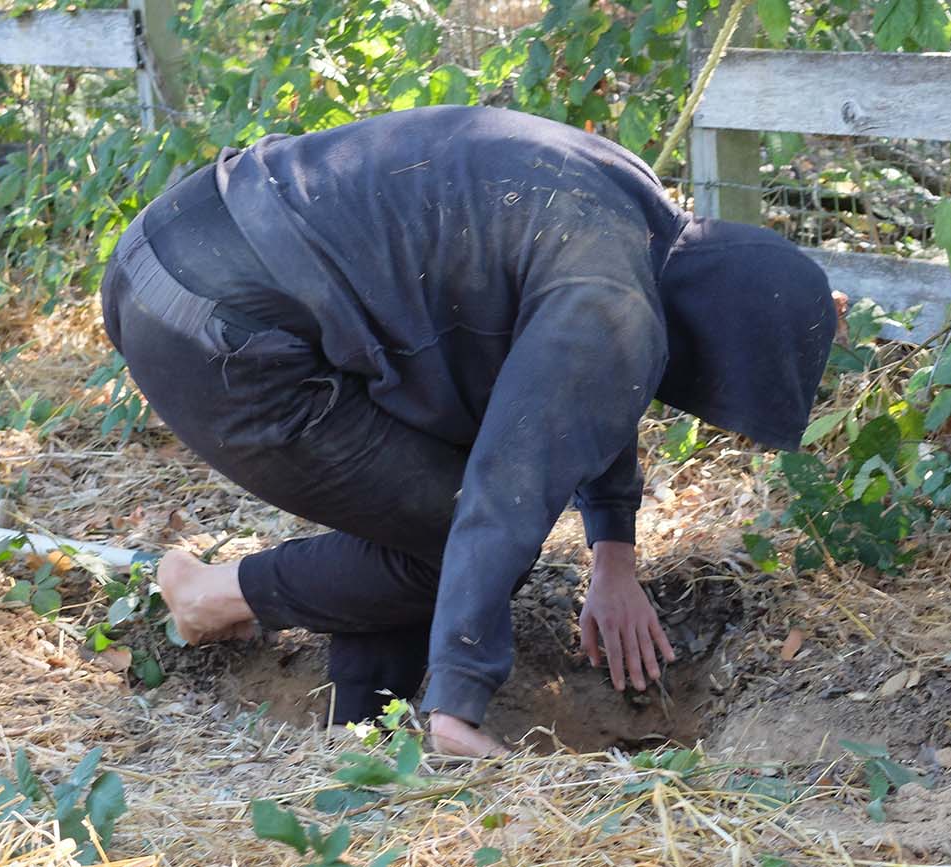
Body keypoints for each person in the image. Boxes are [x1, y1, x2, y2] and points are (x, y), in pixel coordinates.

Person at [99, 105, 835, 756]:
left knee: (417, 507)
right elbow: (506, 487)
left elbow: (584, 391)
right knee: (458, 533)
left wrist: (613, 554)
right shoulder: (611, 300)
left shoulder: (629, 211)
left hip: (182, 244)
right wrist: (460, 697)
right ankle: (216, 594)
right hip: (214, 326)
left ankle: (359, 734)